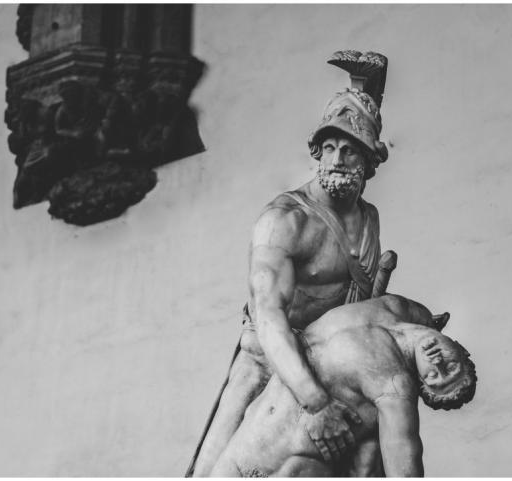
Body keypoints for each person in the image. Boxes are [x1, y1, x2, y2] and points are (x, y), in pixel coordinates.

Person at [188, 87, 394, 477]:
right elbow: (269, 319)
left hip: (336, 364)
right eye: (329, 147)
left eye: (349, 150)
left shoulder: (369, 219)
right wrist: (315, 403)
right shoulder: (284, 221)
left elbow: (361, 307)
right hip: (270, 366)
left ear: (369, 160)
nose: (336, 159)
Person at [208, 295, 477, 477]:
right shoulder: (400, 308)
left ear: (420, 382)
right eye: (451, 367)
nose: (438, 363)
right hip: (242, 447)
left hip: (279, 469)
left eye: (434, 376)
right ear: (458, 347)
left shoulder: (395, 385)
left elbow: (404, 454)